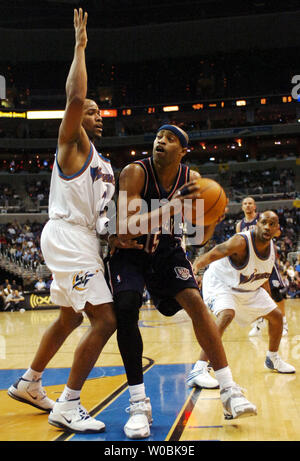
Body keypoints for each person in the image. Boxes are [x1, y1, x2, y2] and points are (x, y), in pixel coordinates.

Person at [7, 9, 137, 434]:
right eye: (93, 110)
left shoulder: (102, 163)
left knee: (70, 318)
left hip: (82, 239)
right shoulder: (71, 146)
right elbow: (75, 99)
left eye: (101, 112)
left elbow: (107, 217)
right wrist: (80, 48)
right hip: (68, 236)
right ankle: (69, 403)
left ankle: (29, 382)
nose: (98, 115)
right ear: (76, 118)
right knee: (105, 320)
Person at [106, 124, 257, 439]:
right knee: (127, 306)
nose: (161, 140)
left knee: (195, 302)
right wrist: (173, 207)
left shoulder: (191, 180)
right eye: (159, 136)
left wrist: (212, 218)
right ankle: (138, 405)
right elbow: (124, 231)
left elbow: (200, 236)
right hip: (130, 251)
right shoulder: (135, 172)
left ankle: (229, 390)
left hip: (165, 250)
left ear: (182, 151)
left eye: (170, 139)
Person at [189, 211, 295, 389]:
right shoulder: (241, 242)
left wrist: (266, 302)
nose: (267, 227)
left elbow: (264, 276)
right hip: (221, 283)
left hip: (247, 288)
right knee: (227, 314)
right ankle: (199, 369)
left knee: (276, 317)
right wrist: (196, 266)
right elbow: (216, 252)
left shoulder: (272, 249)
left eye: (272, 224)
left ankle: (273, 358)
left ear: (277, 230)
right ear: (256, 225)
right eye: (264, 222)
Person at [236, 197, 288, 337]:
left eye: (250, 203)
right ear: (242, 207)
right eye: (245, 204)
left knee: (276, 292)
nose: (247, 206)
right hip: (251, 265)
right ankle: (259, 323)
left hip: (267, 260)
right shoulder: (239, 225)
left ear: (254, 206)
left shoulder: (263, 218)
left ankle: (284, 324)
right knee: (255, 295)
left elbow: (278, 232)